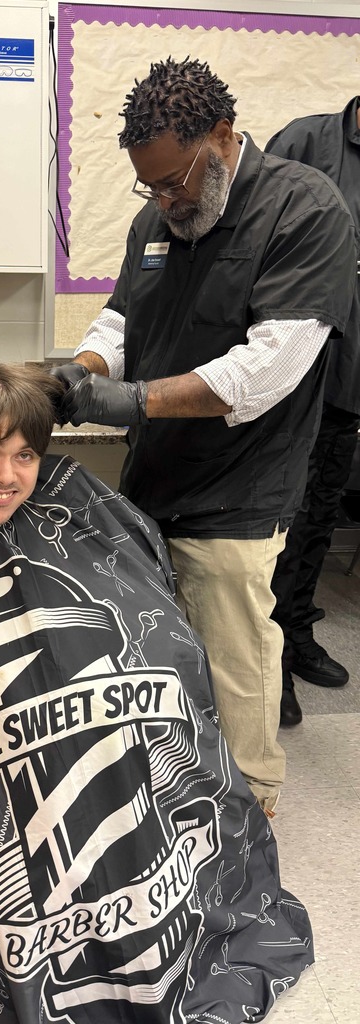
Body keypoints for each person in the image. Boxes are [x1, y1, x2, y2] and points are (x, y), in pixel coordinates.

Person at [0, 363, 314, 1024]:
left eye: (25, 454)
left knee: (143, 715)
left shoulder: (76, 502)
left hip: (86, 680)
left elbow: (138, 576)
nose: (6, 476)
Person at [52, 56, 357, 817]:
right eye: (147, 185)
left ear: (223, 137)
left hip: (241, 486)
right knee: (157, 646)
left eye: (174, 181)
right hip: (156, 477)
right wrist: (81, 369)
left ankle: (251, 805)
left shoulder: (305, 211)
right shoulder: (156, 219)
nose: (162, 199)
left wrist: (124, 400)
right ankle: (172, 779)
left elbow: (265, 370)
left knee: (234, 656)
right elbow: (123, 321)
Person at [264, 98, 360, 727]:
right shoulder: (305, 143)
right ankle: (269, 659)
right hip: (296, 371)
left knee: (323, 510)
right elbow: (254, 239)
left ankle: (298, 634)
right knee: (281, 522)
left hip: (353, 371)